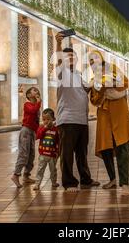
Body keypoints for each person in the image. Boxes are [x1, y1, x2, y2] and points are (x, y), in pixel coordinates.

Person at [55, 33, 100, 193]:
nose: (71, 59)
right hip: (67, 120)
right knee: (66, 154)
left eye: (73, 57)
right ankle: (69, 183)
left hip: (82, 120)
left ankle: (85, 179)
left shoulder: (79, 75)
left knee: (82, 153)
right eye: (68, 57)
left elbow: (89, 88)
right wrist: (58, 43)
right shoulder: (62, 73)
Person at [89, 50, 129, 196]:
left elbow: (126, 82)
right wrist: (102, 89)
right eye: (90, 61)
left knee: (122, 147)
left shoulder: (112, 68)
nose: (93, 63)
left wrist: (110, 83)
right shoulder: (93, 79)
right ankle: (113, 179)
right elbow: (94, 100)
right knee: (105, 148)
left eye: (95, 59)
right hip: (104, 116)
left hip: (119, 113)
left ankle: (125, 184)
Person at [11, 87, 41, 188]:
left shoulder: (36, 105)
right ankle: (16, 175)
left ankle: (26, 175)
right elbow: (33, 111)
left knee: (31, 155)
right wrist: (39, 102)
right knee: (24, 154)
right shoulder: (27, 104)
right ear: (28, 95)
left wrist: (38, 133)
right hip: (25, 131)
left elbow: (36, 120)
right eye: (33, 90)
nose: (36, 91)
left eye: (36, 90)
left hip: (32, 132)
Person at [33, 108, 60, 191]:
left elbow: (58, 142)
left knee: (53, 170)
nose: (46, 121)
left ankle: (54, 182)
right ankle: (37, 184)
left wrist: (58, 153)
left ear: (53, 119)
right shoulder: (41, 128)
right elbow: (37, 136)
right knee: (40, 169)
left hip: (52, 155)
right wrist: (45, 128)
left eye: (48, 119)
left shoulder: (56, 129)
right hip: (42, 154)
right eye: (44, 119)